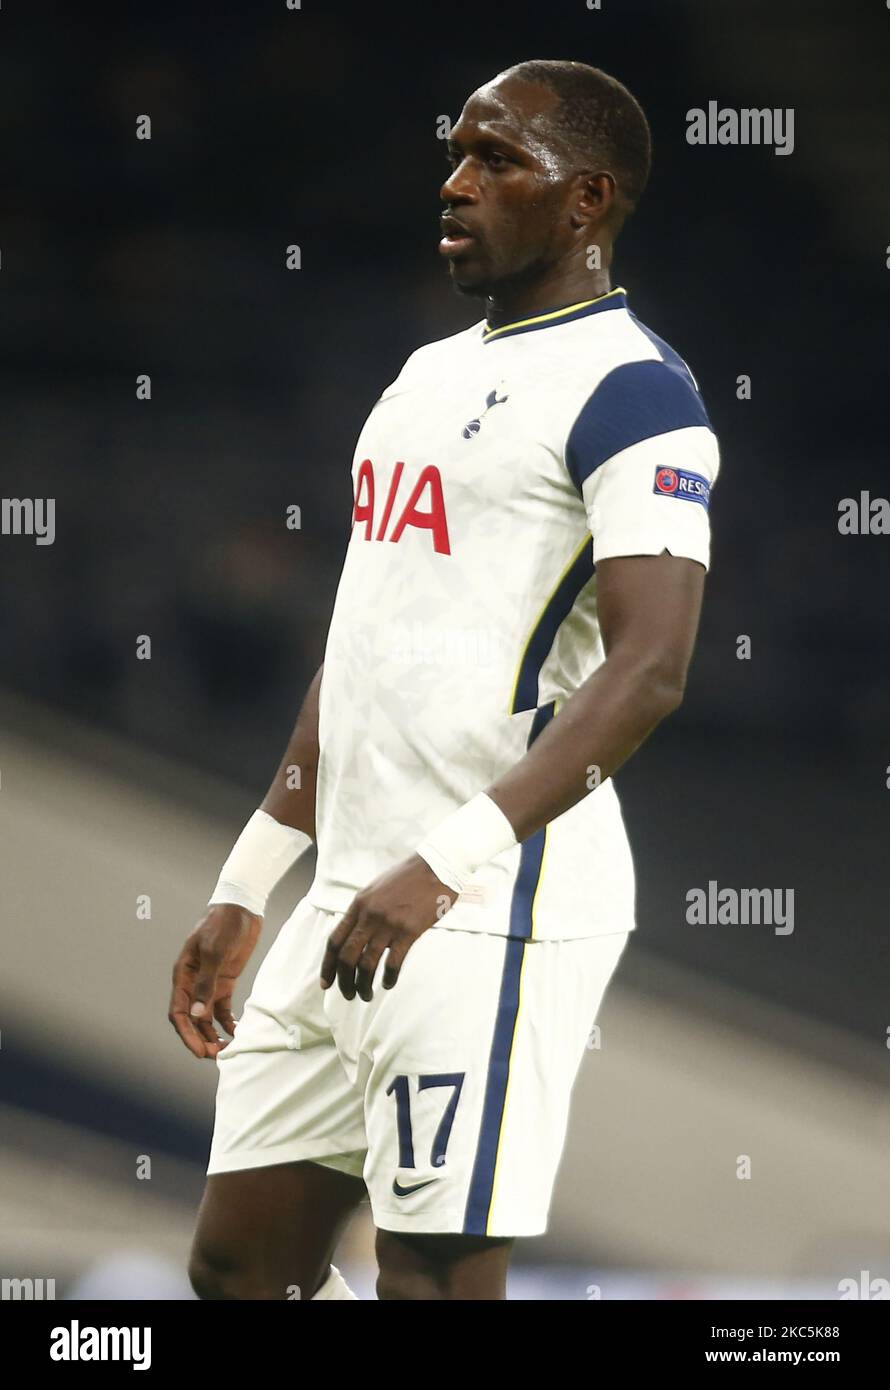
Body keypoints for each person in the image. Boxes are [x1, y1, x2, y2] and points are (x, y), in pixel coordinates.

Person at [170, 58, 721, 1301]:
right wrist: (253, 877)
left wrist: (443, 865)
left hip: (486, 904)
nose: (453, 181)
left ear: (584, 200)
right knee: (238, 1265)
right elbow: (359, 644)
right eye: (457, 152)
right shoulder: (423, 375)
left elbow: (650, 670)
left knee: (427, 1276)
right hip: (350, 899)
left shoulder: (638, 397)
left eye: (494, 159)